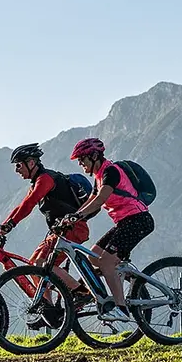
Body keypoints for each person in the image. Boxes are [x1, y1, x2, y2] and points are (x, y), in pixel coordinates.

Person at [0, 143, 91, 325]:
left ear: (31, 163)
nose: (17, 170)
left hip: (72, 229)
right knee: (34, 266)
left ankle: (81, 292)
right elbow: (21, 206)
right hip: (58, 232)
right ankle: (48, 311)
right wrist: (3, 226)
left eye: (18, 165)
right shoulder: (37, 181)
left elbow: (29, 204)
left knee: (41, 265)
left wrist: (10, 225)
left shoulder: (46, 179)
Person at [62, 137, 154, 323]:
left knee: (105, 263)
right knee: (93, 255)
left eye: (82, 159)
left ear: (95, 156)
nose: (80, 164)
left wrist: (77, 217)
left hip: (137, 219)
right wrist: (71, 217)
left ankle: (121, 308)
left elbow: (100, 200)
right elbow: (90, 201)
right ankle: (126, 276)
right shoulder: (98, 177)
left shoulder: (110, 172)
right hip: (125, 222)